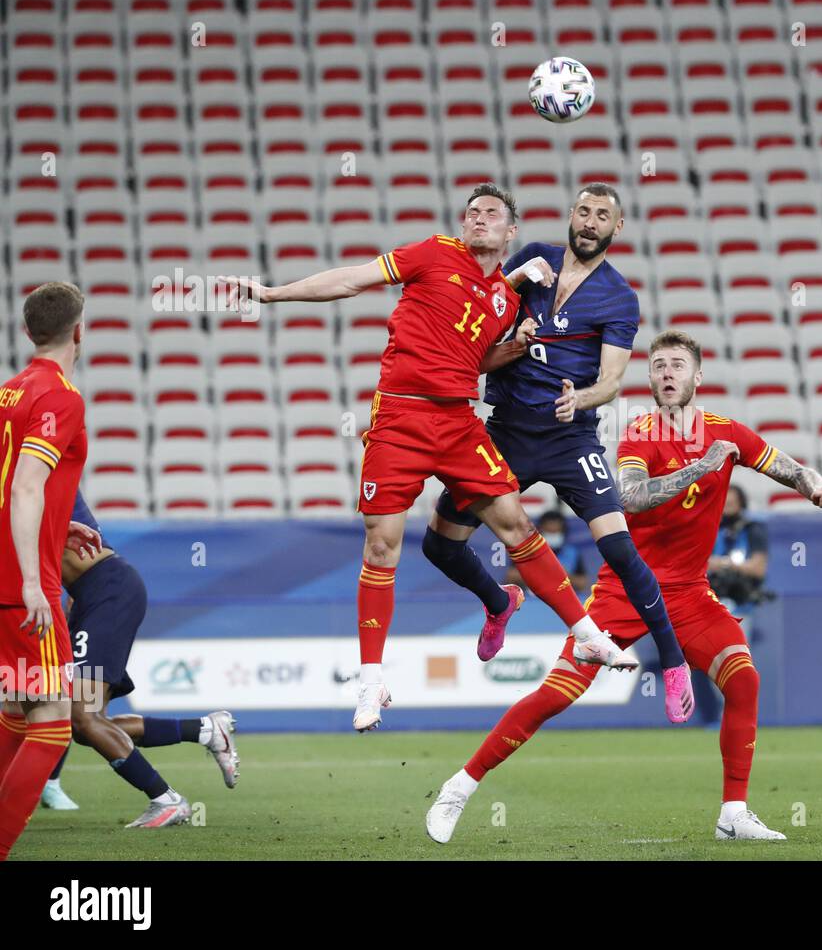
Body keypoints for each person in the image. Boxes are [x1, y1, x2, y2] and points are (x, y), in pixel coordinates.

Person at [219, 183, 637, 733]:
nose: (478, 218)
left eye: (492, 213)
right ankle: (372, 682)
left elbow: (477, 358)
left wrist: (511, 349)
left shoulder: (506, 300)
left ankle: (586, 636)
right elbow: (352, 278)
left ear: (511, 232)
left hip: (459, 421)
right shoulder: (433, 252)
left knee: (514, 521)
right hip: (399, 416)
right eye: (472, 212)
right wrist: (273, 294)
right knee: (382, 544)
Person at [425, 329, 822, 844]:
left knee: (744, 679)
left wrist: (815, 485)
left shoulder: (727, 430)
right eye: (659, 366)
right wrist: (700, 467)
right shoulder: (640, 433)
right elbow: (630, 497)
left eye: (677, 365)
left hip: (690, 594)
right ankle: (460, 786)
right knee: (555, 697)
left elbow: (788, 467)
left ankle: (733, 813)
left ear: (697, 376)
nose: (667, 374)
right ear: (648, 377)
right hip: (624, 591)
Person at [424, 183, 696, 723]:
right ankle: (500, 602)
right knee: (439, 545)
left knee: (619, 549)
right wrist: (514, 322)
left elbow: (612, 380)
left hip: (571, 438)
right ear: (571, 216)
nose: (591, 222)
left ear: (616, 229)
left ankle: (672, 660)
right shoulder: (533, 262)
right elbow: (478, 320)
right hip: (504, 434)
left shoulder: (619, 297)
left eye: (603, 216)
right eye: (584, 212)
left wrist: (582, 397)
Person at [39, 489, 239, 827]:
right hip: (89, 597)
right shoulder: (26, 477)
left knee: (81, 716)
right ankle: (204, 730)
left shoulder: (37, 474)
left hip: (107, 590)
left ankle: (166, 799)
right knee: (85, 725)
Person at [0, 282, 100, 860]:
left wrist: (60, 529)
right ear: (79, 331)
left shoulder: (10, 392)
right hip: (23, 582)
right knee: (54, 720)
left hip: (10, 572)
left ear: (28, 331)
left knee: (16, 705)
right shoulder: (61, 396)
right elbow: (26, 483)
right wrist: (35, 582)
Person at [707, 486, 770, 611]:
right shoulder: (709, 528)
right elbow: (697, 564)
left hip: (743, 603)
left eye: (730, 504)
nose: (725, 509)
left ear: (741, 504)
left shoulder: (753, 529)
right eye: (722, 503)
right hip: (711, 601)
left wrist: (725, 564)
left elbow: (758, 569)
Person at [506, 510, 589, 594]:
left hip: (562, 598)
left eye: (555, 532)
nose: (552, 533)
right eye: (549, 531)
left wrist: (563, 575)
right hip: (531, 600)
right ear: (540, 530)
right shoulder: (527, 550)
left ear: (563, 531)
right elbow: (511, 576)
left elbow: (582, 583)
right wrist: (539, 573)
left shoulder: (572, 553)